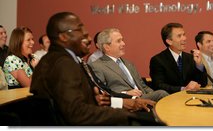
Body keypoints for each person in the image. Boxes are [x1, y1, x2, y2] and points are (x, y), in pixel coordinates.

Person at [30, 12, 160, 126]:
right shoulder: (62, 64)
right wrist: (122, 114)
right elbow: (76, 113)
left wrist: (125, 103)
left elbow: (93, 100)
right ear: (63, 37)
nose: (89, 38)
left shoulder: (62, 60)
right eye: (80, 31)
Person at [90, 28, 169, 102]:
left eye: (122, 40)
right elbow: (103, 93)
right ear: (107, 47)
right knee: (161, 94)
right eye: (118, 41)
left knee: (161, 96)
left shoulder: (128, 63)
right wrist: (126, 93)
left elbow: (143, 86)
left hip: (143, 98)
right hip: (127, 101)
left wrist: (152, 95)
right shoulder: (97, 66)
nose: (123, 43)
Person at [149, 23, 207, 94]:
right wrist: (182, 89)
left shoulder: (191, 57)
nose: (184, 38)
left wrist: (199, 65)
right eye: (179, 36)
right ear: (169, 41)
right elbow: (158, 85)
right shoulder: (158, 60)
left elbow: (203, 83)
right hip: (169, 100)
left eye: (184, 35)